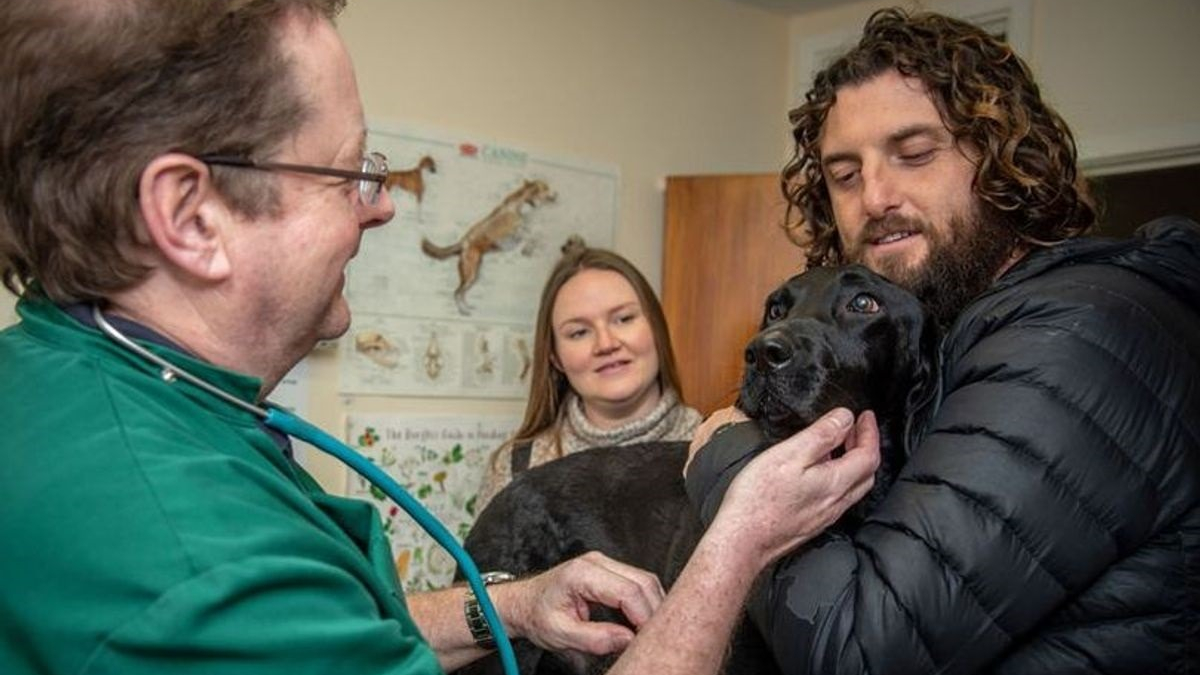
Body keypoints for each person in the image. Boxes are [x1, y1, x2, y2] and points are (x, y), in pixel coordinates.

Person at [0, 2, 880, 675]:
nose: (379, 206)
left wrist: (517, 606)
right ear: (191, 216)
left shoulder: (73, 380)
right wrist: (740, 541)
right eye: (347, 173)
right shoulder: (196, 569)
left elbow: (337, 619)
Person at [686, 8, 1200, 674]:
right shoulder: (966, 334)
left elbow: (861, 648)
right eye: (844, 174)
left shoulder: (1073, 336)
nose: (873, 196)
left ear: (1002, 161)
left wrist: (726, 459)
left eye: (915, 153)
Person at [476, 244, 701, 512]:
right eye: (579, 333)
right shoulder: (513, 466)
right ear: (555, 357)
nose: (605, 344)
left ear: (657, 328)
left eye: (624, 319)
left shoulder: (716, 449)